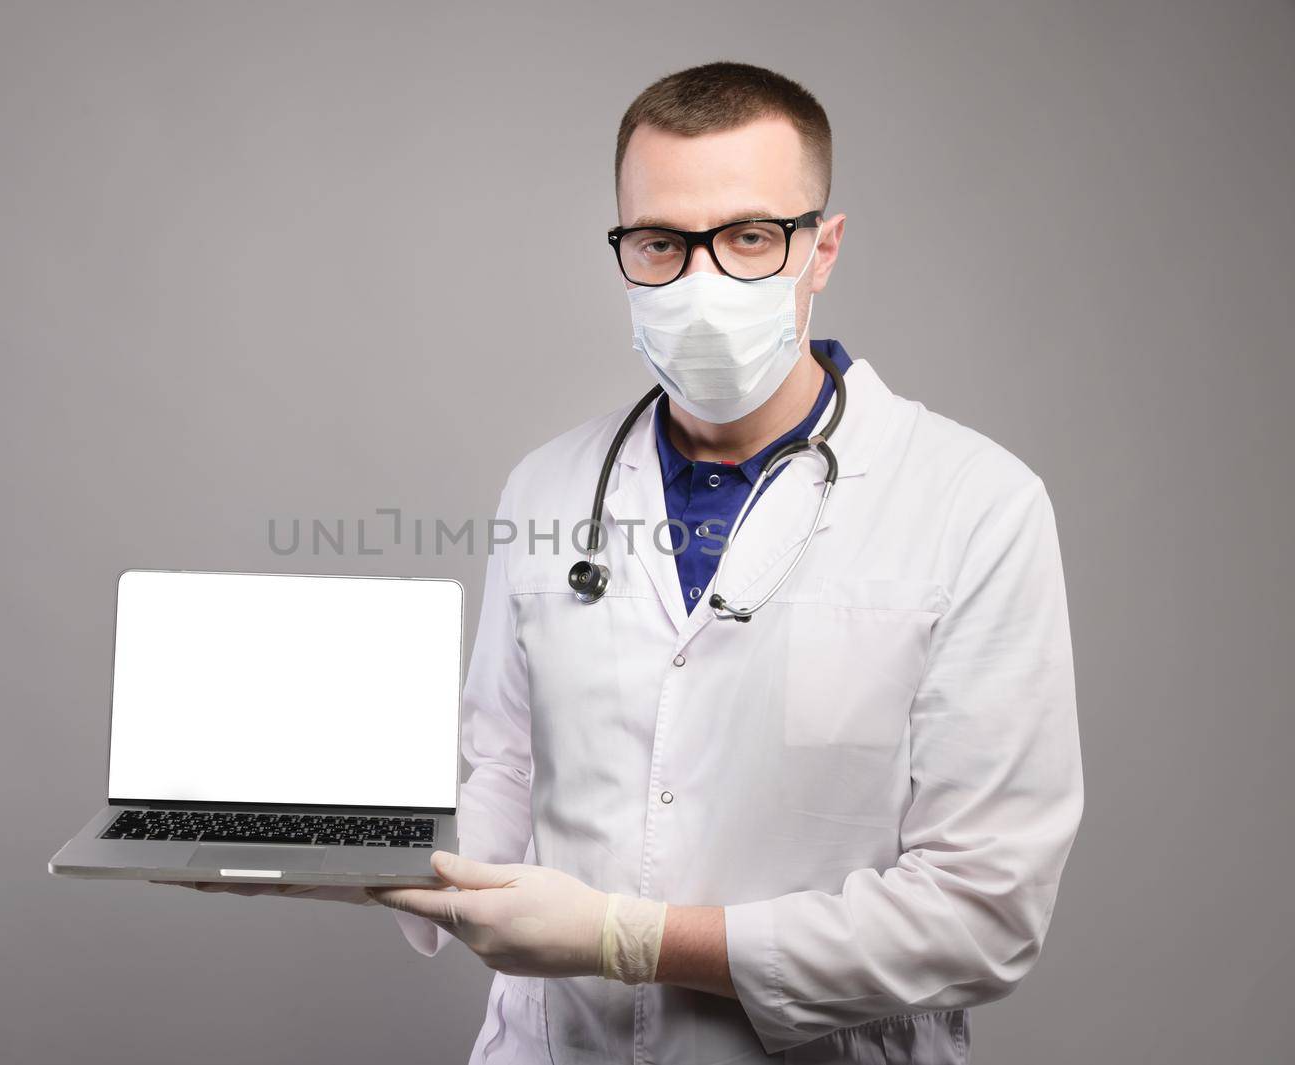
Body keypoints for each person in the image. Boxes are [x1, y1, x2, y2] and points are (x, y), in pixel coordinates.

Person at [163, 61, 1084, 1065]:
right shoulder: (549, 487)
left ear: (822, 248)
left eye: (746, 238)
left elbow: (980, 915)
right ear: (622, 248)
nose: (698, 282)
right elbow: (505, 769)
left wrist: (624, 939)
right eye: (659, 243)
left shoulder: (974, 507)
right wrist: (318, 847)